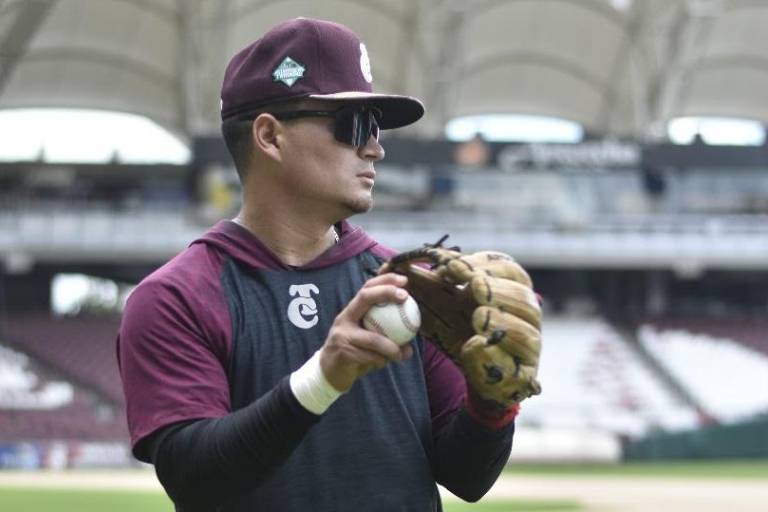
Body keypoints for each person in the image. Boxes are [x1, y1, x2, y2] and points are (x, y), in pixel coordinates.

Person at [117, 17, 519, 512]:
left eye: (374, 127)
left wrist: (493, 401)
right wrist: (323, 379)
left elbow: (467, 477)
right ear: (269, 136)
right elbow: (194, 477)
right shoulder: (174, 298)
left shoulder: (409, 284)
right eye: (353, 125)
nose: (375, 146)